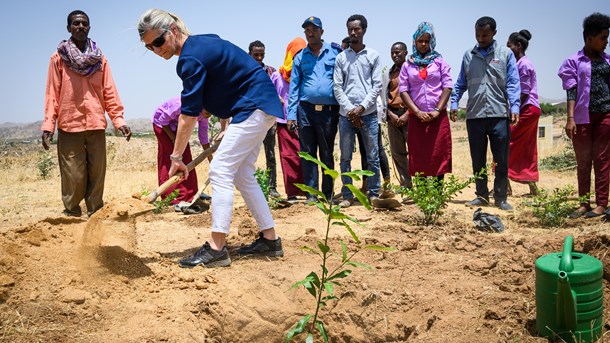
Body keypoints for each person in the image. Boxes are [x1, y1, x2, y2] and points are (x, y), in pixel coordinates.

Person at [138, 9, 284, 268]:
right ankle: (270, 240)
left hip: (253, 106)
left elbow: (188, 114)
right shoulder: (205, 41)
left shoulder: (189, 59)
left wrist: (176, 157)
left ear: (173, 30)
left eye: (158, 42)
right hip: (258, 105)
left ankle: (217, 248)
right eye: (149, 48)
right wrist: (227, 123)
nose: (156, 50)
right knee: (242, 174)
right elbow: (227, 80)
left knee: (219, 170)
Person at [42, 10, 132, 218]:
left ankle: (95, 214)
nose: (80, 27)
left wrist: (118, 120)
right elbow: (52, 94)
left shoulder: (99, 59)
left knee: (97, 172)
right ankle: (72, 213)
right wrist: (49, 125)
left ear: (89, 28)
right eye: (76, 23)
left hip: (95, 124)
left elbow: (109, 91)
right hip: (69, 124)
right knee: (73, 174)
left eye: (84, 23)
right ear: (68, 28)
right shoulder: (58, 59)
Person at [450, 16, 521, 211]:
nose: (481, 38)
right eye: (478, 34)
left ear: (494, 33)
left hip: (499, 115)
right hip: (475, 116)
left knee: (501, 160)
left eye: (485, 35)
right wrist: (454, 102)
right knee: (478, 159)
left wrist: (515, 107)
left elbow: (514, 83)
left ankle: (500, 198)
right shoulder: (468, 55)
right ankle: (481, 195)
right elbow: (460, 83)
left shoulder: (505, 54)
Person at [558, 12, 610, 218]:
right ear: (589, 38)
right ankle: (583, 204)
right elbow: (571, 90)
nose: (606, 42)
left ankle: (602, 204)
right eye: (603, 38)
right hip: (582, 118)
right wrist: (570, 118)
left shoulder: (607, 61)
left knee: (603, 159)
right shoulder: (573, 61)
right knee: (583, 160)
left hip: (605, 115)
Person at [333, 14, 386, 208]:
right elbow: (337, 87)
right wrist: (350, 110)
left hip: (368, 114)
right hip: (346, 116)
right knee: (345, 157)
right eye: (350, 29)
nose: (353, 32)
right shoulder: (341, 58)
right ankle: (348, 195)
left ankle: (373, 193)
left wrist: (361, 108)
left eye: (357, 29)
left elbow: (377, 85)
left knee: (372, 156)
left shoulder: (373, 56)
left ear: (364, 30)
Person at [287, 16, 341, 204]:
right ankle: (311, 194)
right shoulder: (300, 57)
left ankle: (327, 194)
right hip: (305, 111)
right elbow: (294, 88)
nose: (310, 33)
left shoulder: (335, 53)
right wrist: (291, 115)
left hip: (329, 112)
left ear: (322, 32)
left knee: (326, 153)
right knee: (308, 153)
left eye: (314, 29)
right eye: (307, 30)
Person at [399, 22, 453, 182]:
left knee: (438, 153)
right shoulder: (407, 65)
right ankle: (422, 195)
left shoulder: (440, 62)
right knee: (418, 155)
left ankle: (437, 193)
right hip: (416, 118)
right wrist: (417, 112)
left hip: (438, 117)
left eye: (427, 41)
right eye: (420, 41)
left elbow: (448, 86)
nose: (423, 44)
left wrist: (437, 110)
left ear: (432, 42)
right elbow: (403, 91)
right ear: (414, 42)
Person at [152, 96, 210, 205]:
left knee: (187, 159)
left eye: (210, 115)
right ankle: (172, 198)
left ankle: (190, 194)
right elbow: (163, 121)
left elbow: (203, 137)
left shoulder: (204, 114)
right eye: (207, 113)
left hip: (178, 127)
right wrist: (175, 142)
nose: (207, 116)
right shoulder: (180, 105)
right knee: (171, 159)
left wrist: (211, 158)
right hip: (162, 126)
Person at [270, 37, 308, 202]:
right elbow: (269, 94)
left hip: (304, 120)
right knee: (288, 157)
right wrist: (277, 98)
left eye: (302, 53)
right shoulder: (278, 76)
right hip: (284, 123)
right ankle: (292, 192)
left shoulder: (307, 72)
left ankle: (308, 190)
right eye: (296, 53)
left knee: (306, 156)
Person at [506, 30, 541, 196]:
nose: (507, 50)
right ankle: (533, 189)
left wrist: (512, 110)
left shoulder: (523, 64)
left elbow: (524, 91)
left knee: (503, 141)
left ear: (518, 46)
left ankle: (504, 185)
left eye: (509, 46)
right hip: (530, 109)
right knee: (527, 148)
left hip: (526, 109)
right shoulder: (522, 63)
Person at [379, 42, 412, 196]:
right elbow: (384, 96)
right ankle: (406, 186)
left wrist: (408, 114)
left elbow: (417, 95)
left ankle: (422, 187)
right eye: (393, 52)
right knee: (398, 153)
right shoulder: (388, 73)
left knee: (415, 152)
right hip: (392, 115)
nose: (395, 55)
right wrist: (389, 114)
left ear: (405, 53)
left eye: (398, 52)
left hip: (410, 115)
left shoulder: (413, 70)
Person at [248, 40, 280, 198]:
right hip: (248, 120)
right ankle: (249, 187)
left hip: (267, 120)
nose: (259, 58)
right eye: (256, 55)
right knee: (247, 155)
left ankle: (272, 187)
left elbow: (276, 95)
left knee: (271, 155)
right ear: (249, 54)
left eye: (262, 55)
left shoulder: (271, 72)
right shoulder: (244, 72)